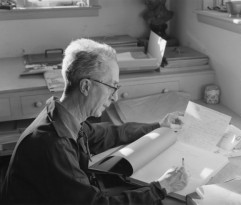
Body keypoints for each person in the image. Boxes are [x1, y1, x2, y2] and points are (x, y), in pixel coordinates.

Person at [0, 38, 188, 204]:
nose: (114, 97)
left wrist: (157, 126)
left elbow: (107, 133)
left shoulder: (62, 115)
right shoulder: (52, 144)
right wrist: (160, 188)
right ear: (85, 86)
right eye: (111, 87)